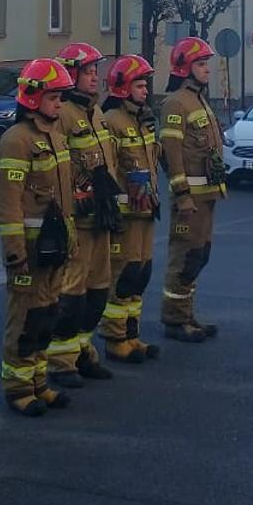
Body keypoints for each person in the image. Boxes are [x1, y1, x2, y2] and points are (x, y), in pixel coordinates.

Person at [0, 58, 79, 416]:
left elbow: (64, 200)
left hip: (53, 248)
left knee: (47, 316)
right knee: (25, 321)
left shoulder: (56, 137)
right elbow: (8, 202)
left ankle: (39, 382)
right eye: (53, 97)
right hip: (29, 251)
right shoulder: (17, 140)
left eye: (61, 98)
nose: (59, 104)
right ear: (32, 97)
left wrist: (71, 241)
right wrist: (15, 252)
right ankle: (18, 389)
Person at [47, 42, 126, 387]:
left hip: (101, 217)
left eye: (97, 71)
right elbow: (56, 169)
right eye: (89, 72)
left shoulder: (95, 113)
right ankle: (61, 362)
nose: (96, 77)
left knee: (97, 291)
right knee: (72, 294)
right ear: (71, 74)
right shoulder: (62, 113)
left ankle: (84, 352)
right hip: (78, 219)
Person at [158, 36, 227, 343]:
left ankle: (187, 314)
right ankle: (174, 320)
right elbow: (171, 153)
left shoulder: (198, 99)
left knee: (199, 256)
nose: (207, 70)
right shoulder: (176, 102)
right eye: (201, 64)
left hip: (207, 194)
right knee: (184, 258)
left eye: (206, 64)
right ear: (185, 68)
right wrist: (182, 194)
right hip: (191, 200)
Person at [98, 54, 164, 364]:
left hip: (146, 209)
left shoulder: (143, 119)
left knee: (141, 273)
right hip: (126, 214)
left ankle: (132, 334)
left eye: (145, 85)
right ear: (123, 88)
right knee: (123, 275)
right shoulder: (112, 121)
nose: (145, 91)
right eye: (139, 85)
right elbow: (110, 170)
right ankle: (114, 338)